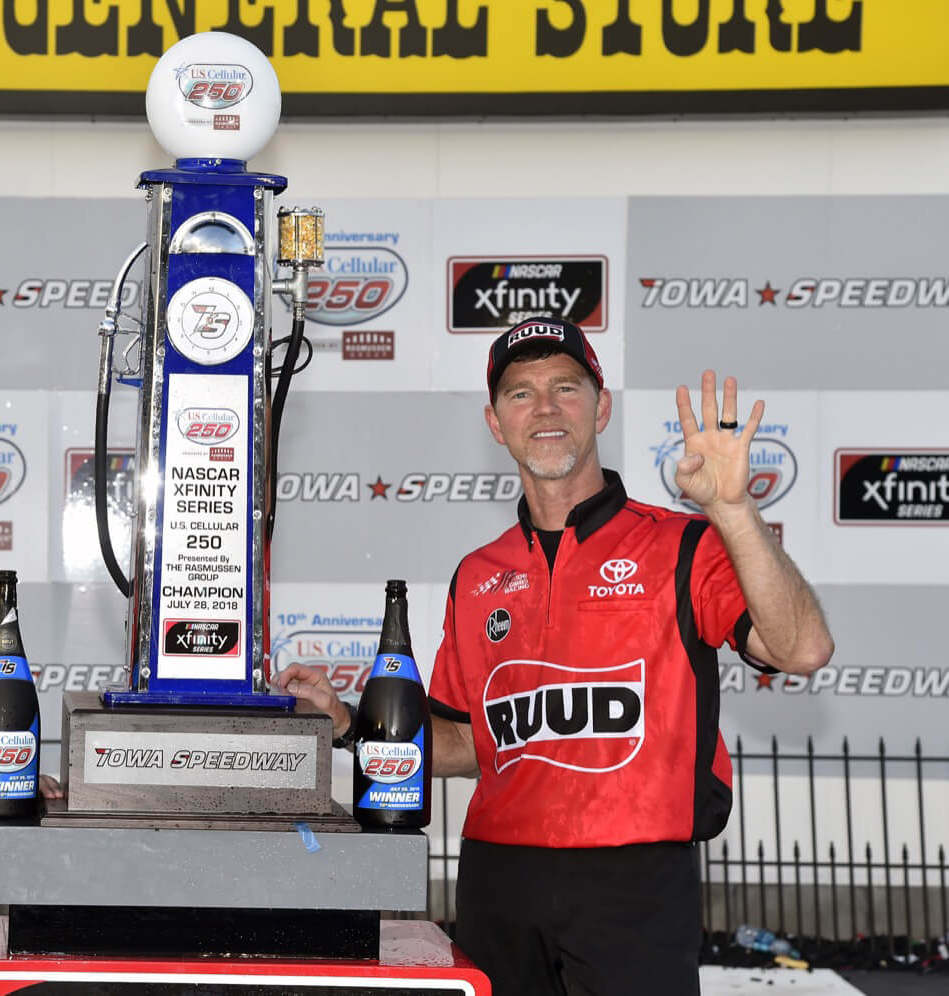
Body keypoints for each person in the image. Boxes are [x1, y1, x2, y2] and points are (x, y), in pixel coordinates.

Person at [275, 316, 833, 996]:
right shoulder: (478, 575)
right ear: (494, 421)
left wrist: (736, 511)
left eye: (565, 387)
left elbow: (801, 649)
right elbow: (464, 741)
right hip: (497, 880)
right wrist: (347, 722)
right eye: (520, 393)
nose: (544, 408)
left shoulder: (683, 545)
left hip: (634, 883)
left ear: (602, 406)